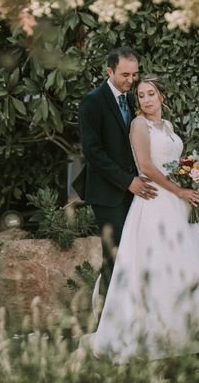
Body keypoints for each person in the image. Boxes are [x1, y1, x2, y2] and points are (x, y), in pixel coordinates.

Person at [85, 74, 199, 362]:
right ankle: (151, 336)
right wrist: (179, 189)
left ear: (161, 97)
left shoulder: (167, 126)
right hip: (154, 200)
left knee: (186, 264)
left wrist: (192, 173)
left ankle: (189, 333)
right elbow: (145, 165)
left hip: (175, 203)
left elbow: (171, 164)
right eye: (141, 95)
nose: (145, 99)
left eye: (150, 94)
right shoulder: (138, 125)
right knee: (157, 265)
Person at [73, 46, 158, 298]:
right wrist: (127, 181)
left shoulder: (134, 100)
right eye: (125, 75)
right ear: (109, 71)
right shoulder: (92, 102)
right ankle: (104, 320)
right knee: (116, 255)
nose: (131, 81)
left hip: (137, 192)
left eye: (135, 75)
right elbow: (93, 152)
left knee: (137, 253)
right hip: (107, 193)